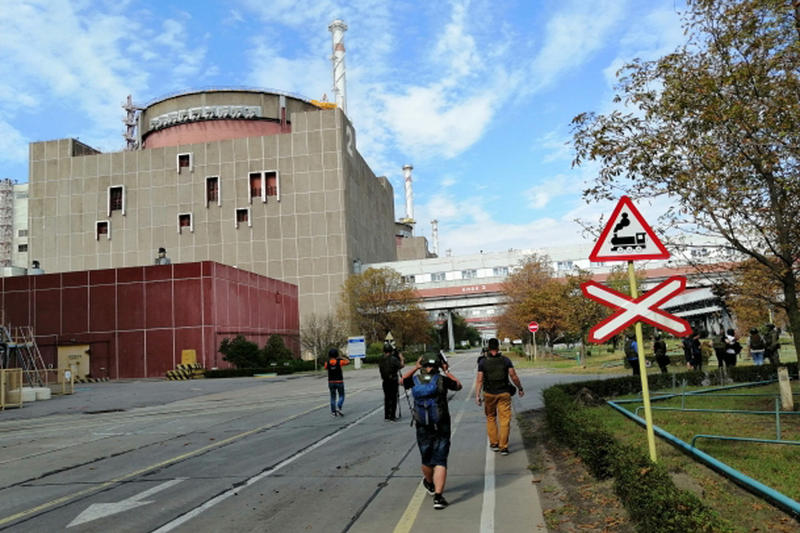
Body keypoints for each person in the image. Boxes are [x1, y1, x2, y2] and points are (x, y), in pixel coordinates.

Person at [402, 354, 462, 510]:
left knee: (426, 458)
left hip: (422, 424)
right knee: (440, 460)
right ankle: (438, 497)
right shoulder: (442, 380)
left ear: (422, 365)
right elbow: (458, 385)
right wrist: (446, 371)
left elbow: (402, 381)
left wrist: (415, 367)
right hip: (441, 423)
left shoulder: (414, 380)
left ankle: (429, 482)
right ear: (437, 366)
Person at [474, 338, 524, 456]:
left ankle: (494, 443)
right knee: (504, 420)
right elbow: (513, 376)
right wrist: (520, 388)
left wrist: (477, 395)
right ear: (498, 347)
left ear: (488, 348)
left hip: (489, 394)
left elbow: (479, 380)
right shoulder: (505, 360)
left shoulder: (483, 362)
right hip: (504, 393)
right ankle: (504, 447)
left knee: (491, 417)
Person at [378, 343, 404, 421]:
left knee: (387, 398)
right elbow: (401, 366)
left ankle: (387, 415)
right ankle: (392, 415)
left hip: (385, 381)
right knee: (393, 398)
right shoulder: (394, 359)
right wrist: (401, 359)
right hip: (393, 380)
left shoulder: (381, 358)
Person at [324, 348, 350, 416]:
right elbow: (347, 361)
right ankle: (339, 406)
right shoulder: (340, 362)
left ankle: (333, 411)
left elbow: (326, 367)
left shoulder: (327, 363)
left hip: (331, 382)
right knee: (341, 395)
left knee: (333, 397)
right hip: (339, 381)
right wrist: (341, 357)